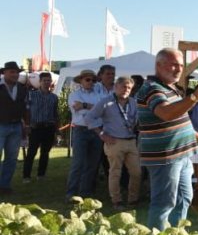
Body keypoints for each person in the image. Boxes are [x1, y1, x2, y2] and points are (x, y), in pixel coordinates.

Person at [137, 49, 198, 229]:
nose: (178, 69)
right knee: (164, 202)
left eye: (181, 65)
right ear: (158, 65)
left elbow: (182, 121)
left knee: (184, 198)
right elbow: (166, 114)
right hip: (166, 157)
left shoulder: (171, 89)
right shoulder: (152, 88)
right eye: (173, 64)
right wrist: (195, 97)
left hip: (183, 155)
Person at [89, 76, 142, 210]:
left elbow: (138, 120)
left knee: (137, 172)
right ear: (116, 87)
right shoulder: (106, 102)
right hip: (114, 141)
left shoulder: (133, 103)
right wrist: (102, 134)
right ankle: (116, 200)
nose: (126, 90)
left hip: (131, 141)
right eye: (124, 86)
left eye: (129, 88)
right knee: (115, 172)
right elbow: (89, 118)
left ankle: (133, 199)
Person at [65, 69, 105, 202]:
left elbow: (101, 110)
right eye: (88, 79)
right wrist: (92, 108)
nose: (91, 82)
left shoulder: (98, 94)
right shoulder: (74, 94)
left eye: (93, 80)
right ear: (81, 81)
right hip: (81, 130)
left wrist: (85, 105)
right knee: (78, 163)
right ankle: (71, 193)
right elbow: (78, 109)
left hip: (96, 130)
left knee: (92, 164)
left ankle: (84, 193)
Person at [23, 70, 59, 182]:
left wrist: (57, 129)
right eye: (44, 80)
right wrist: (27, 125)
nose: (47, 82)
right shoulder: (31, 95)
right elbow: (26, 111)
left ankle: (41, 175)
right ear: (40, 81)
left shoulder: (54, 97)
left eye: (49, 80)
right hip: (35, 127)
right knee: (31, 153)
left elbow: (55, 113)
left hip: (49, 127)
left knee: (45, 153)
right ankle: (26, 176)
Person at [0, 61, 28, 195]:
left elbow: (25, 108)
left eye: (17, 72)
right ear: (4, 72)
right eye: (12, 71)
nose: (15, 74)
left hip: (16, 126)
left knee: (11, 158)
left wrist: (26, 125)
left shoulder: (22, 88)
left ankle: (5, 185)